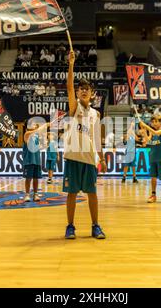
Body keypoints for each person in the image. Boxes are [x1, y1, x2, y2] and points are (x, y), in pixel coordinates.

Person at [63, 50, 107, 240]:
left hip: (89, 158)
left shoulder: (96, 114)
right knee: (71, 194)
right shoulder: (75, 107)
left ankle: (95, 226)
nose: (82, 90)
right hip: (73, 156)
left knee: (92, 194)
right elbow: (69, 88)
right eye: (81, 88)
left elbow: (97, 139)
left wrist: (102, 158)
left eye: (86, 89)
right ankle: (70, 226)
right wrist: (71, 64)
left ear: (92, 94)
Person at [23, 121, 47, 201]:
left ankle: (35, 194)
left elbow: (39, 146)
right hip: (29, 160)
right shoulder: (26, 134)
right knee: (28, 178)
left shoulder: (36, 135)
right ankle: (27, 195)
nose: (34, 124)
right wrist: (42, 126)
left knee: (36, 178)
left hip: (36, 159)